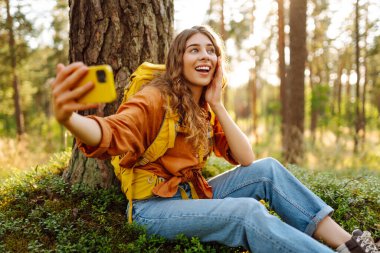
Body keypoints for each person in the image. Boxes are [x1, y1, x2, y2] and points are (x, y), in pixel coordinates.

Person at [51, 25, 379, 253]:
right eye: (194, 49)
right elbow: (111, 132)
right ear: (178, 59)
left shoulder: (204, 107)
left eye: (211, 50)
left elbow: (247, 160)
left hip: (191, 195)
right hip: (152, 209)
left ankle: (349, 244)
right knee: (246, 213)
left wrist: (218, 104)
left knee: (267, 169)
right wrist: (70, 118)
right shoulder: (154, 98)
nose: (204, 56)